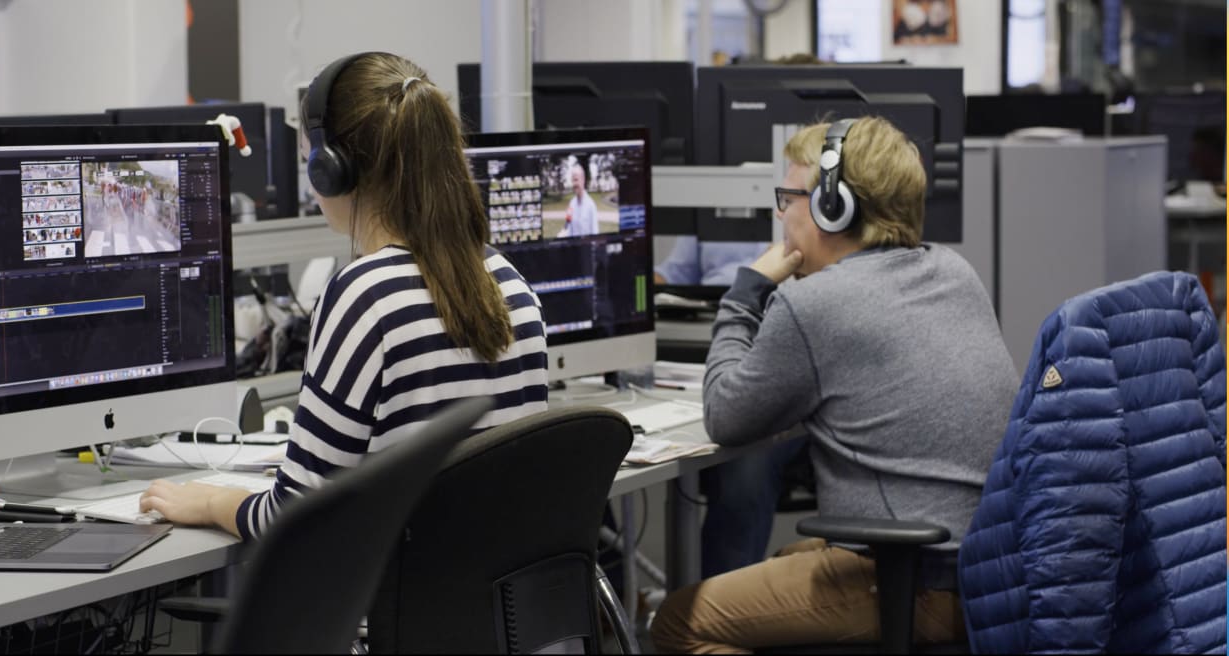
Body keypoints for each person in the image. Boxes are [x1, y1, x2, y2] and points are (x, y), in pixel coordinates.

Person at [138, 52, 550, 539]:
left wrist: (209, 501)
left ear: (332, 169)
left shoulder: (365, 295)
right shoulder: (509, 280)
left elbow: (293, 518)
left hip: (401, 606)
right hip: (492, 605)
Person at [649, 117, 1017, 652]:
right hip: (989, 575)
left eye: (788, 197)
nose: (780, 214)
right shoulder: (953, 270)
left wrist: (745, 293)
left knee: (679, 621)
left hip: (912, 580)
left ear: (831, 208)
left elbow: (725, 415)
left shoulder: (814, 305)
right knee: (781, 564)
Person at [556, 163, 599, 238]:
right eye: (572, 180)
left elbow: (595, 234)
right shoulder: (571, 204)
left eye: (576, 180)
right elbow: (568, 224)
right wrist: (562, 234)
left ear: (583, 180)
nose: (574, 184)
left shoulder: (591, 206)